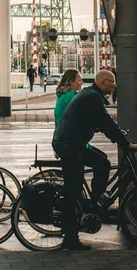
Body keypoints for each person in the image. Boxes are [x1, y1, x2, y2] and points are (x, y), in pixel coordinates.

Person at [52, 70, 137, 250]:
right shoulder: (92, 98)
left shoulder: (90, 95)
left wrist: (117, 135)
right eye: (112, 82)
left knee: (102, 163)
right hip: (69, 146)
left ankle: (96, 202)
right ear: (104, 83)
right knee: (72, 189)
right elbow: (105, 122)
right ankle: (70, 237)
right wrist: (125, 143)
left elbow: (99, 122)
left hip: (72, 143)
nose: (114, 86)